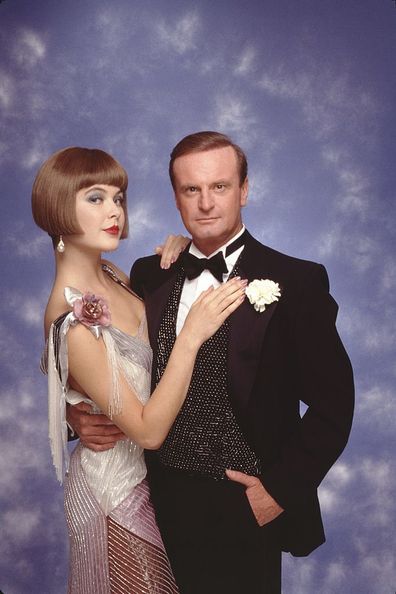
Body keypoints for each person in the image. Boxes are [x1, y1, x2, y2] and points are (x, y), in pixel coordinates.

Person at [69, 132, 355, 594]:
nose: (205, 203)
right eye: (191, 190)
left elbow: (334, 406)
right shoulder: (149, 273)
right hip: (151, 495)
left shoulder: (296, 281)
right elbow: (109, 361)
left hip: (244, 501)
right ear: (177, 198)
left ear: (244, 190)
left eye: (219, 187)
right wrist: (76, 416)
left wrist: (277, 492)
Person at [32, 146, 246, 594]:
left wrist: (77, 408)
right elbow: (147, 433)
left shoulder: (113, 274)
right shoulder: (69, 317)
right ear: (57, 206)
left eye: (118, 197)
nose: (114, 211)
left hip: (153, 484)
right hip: (112, 495)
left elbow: (59, 368)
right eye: (95, 198)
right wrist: (192, 335)